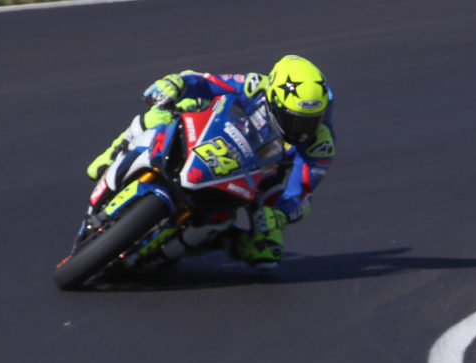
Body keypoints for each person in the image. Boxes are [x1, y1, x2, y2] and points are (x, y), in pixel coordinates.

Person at [86, 55, 335, 270]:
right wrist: (176, 83)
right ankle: (116, 151)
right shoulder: (254, 86)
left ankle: (217, 238)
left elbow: (300, 192)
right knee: (168, 110)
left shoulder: (319, 144)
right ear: (275, 100)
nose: (304, 129)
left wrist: (279, 214)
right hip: (220, 142)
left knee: (267, 255)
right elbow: (206, 82)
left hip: (258, 179)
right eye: (297, 119)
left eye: (313, 119)